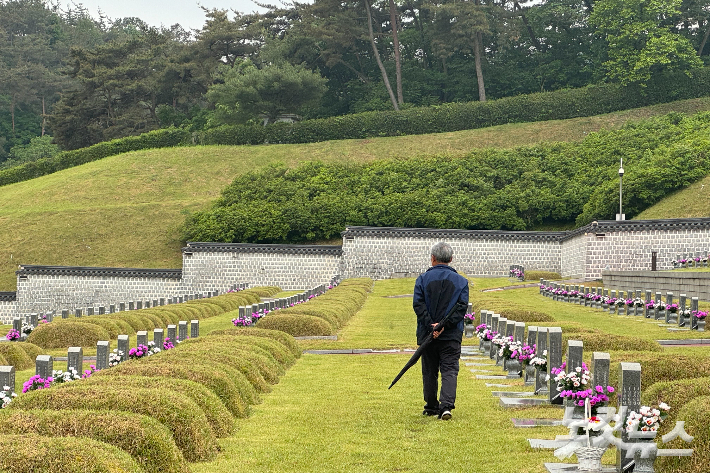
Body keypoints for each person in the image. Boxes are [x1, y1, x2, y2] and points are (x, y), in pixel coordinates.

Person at [413, 242, 469, 420]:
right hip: (451, 334)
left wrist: (432, 326)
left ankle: (431, 406)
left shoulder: (422, 279)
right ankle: (446, 407)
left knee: (429, 370)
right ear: (451, 259)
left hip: (427, 333)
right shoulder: (461, 281)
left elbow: (418, 304)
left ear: (432, 258)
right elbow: (461, 308)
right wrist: (444, 326)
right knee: (450, 369)